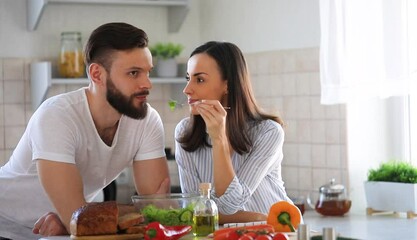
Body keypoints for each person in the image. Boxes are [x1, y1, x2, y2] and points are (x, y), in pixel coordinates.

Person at [0, 22, 170, 237]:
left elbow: (158, 210)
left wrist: (76, 220)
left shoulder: (146, 119)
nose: (147, 84)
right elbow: (76, 217)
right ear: (97, 74)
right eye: (134, 73)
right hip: (6, 227)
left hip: (59, 233)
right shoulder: (57, 116)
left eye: (148, 72)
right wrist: (77, 219)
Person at [174, 41, 293, 223]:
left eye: (199, 79)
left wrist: (219, 138)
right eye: (187, 78)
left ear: (227, 85)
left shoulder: (268, 132)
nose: (187, 89)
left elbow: (230, 205)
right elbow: (193, 209)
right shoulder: (184, 132)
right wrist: (259, 216)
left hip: (274, 231)